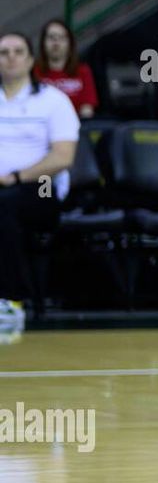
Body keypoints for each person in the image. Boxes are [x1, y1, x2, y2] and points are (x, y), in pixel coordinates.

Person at [0, 33, 79, 334]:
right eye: (4, 52)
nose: (10, 57)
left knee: (6, 202)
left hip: (43, 186)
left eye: (18, 51)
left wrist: (16, 177)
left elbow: (63, 157)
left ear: (31, 60)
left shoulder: (53, 101)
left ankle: (12, 298)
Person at [34, 19, 99, 118]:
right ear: (43, 43)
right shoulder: (33, 71)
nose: (56, 43)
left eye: (61, 38)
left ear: (70, 43)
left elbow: (87, 108)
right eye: (51, 38)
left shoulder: (83, 71)